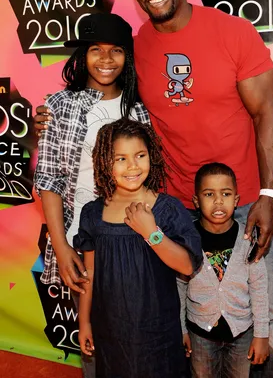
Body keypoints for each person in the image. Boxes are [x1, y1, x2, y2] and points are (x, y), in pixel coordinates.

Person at [34, 0, 273, 376]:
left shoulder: (233, 31)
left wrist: (269, 194)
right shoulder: (136, 48)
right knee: (183, 324)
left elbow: (266, 113)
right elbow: (102, 94)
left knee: (264, 320)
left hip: (243, 202)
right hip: (173, 209)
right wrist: (49, 113)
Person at [33, 12, 150, 377]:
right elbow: (49, 180)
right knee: (93, 340)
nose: (105, 60)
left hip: (134, 242)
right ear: (82, 55)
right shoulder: (58, 107)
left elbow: (148, 184)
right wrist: (62, 246)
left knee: (137, 337)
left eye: (116, 50)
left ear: (127, 57)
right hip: (79, 242)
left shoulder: (139, 111)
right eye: (96, 50)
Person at [74, 118, 203, 378]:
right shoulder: (93, 213)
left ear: (151, 157)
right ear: (103, 162)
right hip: (111, 334)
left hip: (158, 335)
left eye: (140, 155)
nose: (132, 166)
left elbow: (188, 265)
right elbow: (90, 274)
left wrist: (151, 232)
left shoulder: (167, 210)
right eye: (120, 158)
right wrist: (84, 321)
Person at [178, 163, 269, 378]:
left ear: (236, 200)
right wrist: (180, 329)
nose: (218, 201)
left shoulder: (249, 238)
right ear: (196, 201)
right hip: (200, 334)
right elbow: (179, 288)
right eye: (209, 194)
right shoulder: (187, 240)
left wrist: (262, 335)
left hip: (241, 334)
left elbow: (259, 288)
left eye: (226, 194)